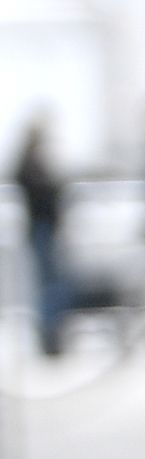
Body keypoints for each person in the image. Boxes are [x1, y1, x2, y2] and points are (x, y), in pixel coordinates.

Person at [14, 115, 65, 359]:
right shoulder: (30, 164)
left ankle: (52, 335)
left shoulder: (34, 163)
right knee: (49, 287)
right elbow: (42, 194)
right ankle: (49, 336)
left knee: (51, 285)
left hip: (45, 229)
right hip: (41, 229)